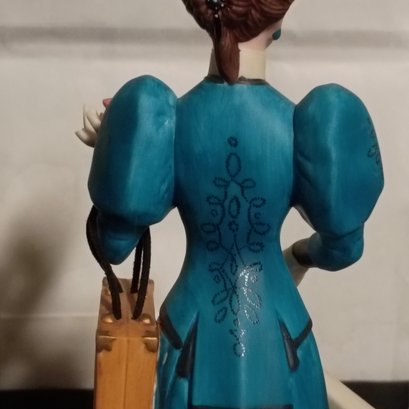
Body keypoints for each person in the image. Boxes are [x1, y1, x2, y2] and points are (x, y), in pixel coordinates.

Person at [86, 1, 384, 408]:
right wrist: (299, 255)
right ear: (278, 21)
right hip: (283, 339)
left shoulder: (163, 118)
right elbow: (344, 248)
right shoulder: (311, 122)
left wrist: (114, 148)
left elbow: (114, 246)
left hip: (190, 336)